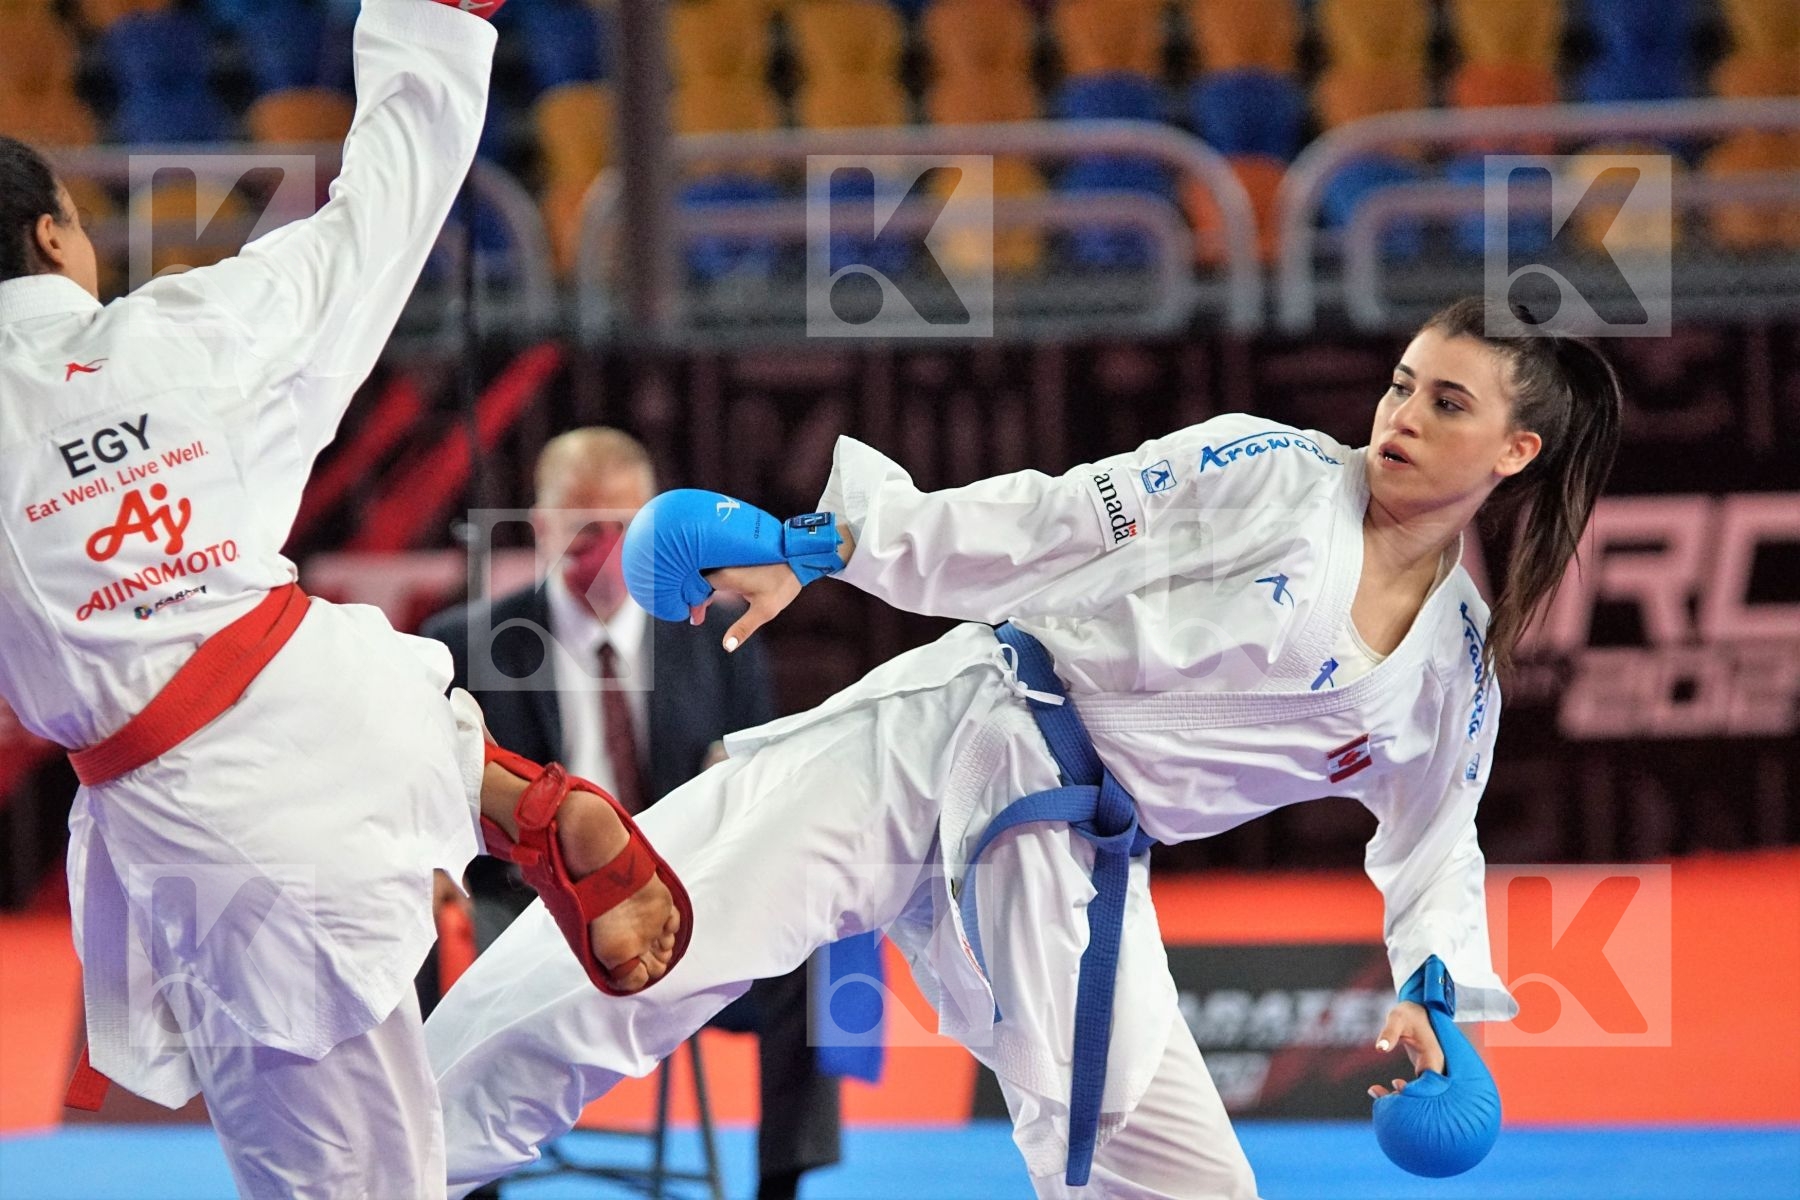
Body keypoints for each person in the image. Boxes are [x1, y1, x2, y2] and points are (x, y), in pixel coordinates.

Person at [425, 298, 1622, 1198]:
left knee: (1183, 1183)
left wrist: (1432, 993)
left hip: (1073, 866)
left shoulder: (1457, 670)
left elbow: (1431, 840)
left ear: (1517, 453)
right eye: (1404, 384)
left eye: (1448, 404)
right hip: (950, 738)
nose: (1402, 416)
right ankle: (377, 1164)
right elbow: (1046, 522)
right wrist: (823, 542)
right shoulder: (1272, 472)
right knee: (638, 938)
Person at [0, 4, 684, 1196]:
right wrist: (439, 24)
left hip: (228, 825)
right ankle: (487, 784)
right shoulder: (185, 331)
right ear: (53, 237)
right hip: (327, 692)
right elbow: (381, 217)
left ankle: (487, 787)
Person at [421, 427, 842, 1200]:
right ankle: (451, 1178)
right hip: (522, 903)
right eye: (581, 526)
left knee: (813, 939)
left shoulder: (720, 634)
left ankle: (784, 1184)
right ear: (540, 524)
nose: (603, 547)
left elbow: (751, 778)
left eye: (623, 525)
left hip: (684, 890)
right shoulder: (464, 644)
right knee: (424, 929)